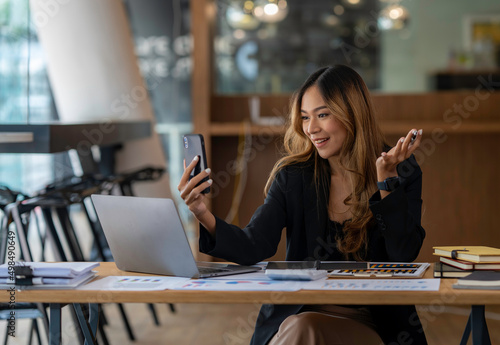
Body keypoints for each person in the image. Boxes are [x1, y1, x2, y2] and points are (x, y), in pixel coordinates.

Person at [178, 65, 427, 345]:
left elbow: (403, 255)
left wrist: (386, 182)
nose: (311, 128)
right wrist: (201, 212)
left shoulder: (401, 170)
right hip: (297, 314)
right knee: (301, 327)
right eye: (306, 117)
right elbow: (254, 245)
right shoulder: (294, 176)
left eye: (323, 115)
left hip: (371, 324)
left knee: (303, 329)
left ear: (353, 114)